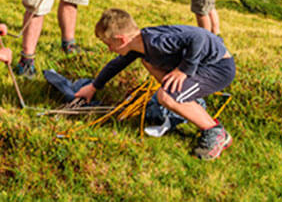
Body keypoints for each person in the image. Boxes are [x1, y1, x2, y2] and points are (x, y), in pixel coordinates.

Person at [73, 9, 236, 161]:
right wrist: (94, 86)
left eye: (109, 44)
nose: (109, 49)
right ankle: (191, 103)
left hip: (218, 68)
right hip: (202, 67)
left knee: (166, 96)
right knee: (148, 63)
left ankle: (216, 132)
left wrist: (183, 70)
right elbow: (117, 64)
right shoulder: (139, 44)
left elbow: (198, 37)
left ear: (121, 40)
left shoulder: (157, 41)